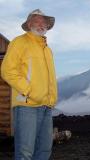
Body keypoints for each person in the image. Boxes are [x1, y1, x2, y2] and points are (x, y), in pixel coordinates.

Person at [1, 9, 57, 160]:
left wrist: (51, 99)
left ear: (47, 26)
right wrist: (29, 91)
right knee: (25, 152)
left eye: (43, 22)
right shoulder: (19, 42)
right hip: (27, 106)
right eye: (37, 21)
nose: (41, 24)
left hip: (46, 106)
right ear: (29, 24)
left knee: (44, 150)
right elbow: (7, 70)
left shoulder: (47, 50)